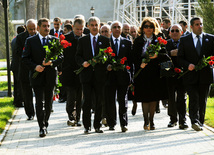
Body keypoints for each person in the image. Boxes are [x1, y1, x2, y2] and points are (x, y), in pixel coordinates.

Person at [22, 18, 63, 137]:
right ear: (38, 27)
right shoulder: (30, 41)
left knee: (49, 103)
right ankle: (41, 126)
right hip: (37, 77)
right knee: (40, 102)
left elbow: (60, 57)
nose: (46, 28)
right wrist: (35, 67)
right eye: (44, 26)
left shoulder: (54, 40)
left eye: (48, 26)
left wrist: (51, 62)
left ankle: (46, 122)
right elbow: (25, 58)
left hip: (50, 76)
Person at [177, 17, 214, 131]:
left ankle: (200, 122)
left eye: (201, 24)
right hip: (191, 75)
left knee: (202, 100)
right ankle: (194, 121)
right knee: (193, 98)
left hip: (205, 75)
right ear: (192, 27)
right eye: (197, 24)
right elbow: (180, 58)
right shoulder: (184, 40)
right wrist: (188, 65)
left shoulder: (211, 39)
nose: (200, 26)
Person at [75, 16, 110, 134]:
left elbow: (109, 57)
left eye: (96, 25)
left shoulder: (105, 40)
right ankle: (87, 126)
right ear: (88, 26)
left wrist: (105, 62)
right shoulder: (82, 40)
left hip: (100, 76)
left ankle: (97, 125)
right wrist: (83, 63)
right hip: (86, 75)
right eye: (92, 25)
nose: (94, 27)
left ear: (99, 26)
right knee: (87, 101)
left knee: (99, 101)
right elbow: (77, 56)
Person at [133, 17, 168, 130]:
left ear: (154, 28)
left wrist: (157, 56)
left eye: (151, 27)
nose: (148, 29)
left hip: (155, 71)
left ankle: (152, 120)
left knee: (153, 98)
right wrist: (140, 63)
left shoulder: (159, 39)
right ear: (142, 28)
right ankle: (145, 120)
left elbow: (165, 55)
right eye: (146, 26)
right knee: (144, 98)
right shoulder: (138, 40)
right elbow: (133, 56)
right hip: (143, 72)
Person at [105, 21, 132, 132]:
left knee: (123, 101)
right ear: (111, 30)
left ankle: (123, 123)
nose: (116, 29)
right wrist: (107, 66)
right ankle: (111, 123)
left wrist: (131, 77)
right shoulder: (107, 42)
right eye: (114, 27)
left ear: (121, 29)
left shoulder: (127, 42)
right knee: (110, 100)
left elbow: (131, 61)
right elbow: (103, 59)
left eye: (118, 27)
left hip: (123, 76)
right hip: (110, 76)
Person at [62, 18, 85, 127]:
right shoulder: (66, 38)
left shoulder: (85, 39)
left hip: (82, 72)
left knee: (80, 97)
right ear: (73, 27)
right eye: (77, 29)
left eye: (81, 29)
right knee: (71, 96)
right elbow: (62, 56)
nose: (79, 32)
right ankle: (71, 115)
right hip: (69, 72)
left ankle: (78, 118)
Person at [166, 24, 188, 129]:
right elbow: (162, 56)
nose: (174, 33)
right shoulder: (166, 43)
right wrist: (170, 53)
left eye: (177, 31)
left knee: (182, 98)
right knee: (171, 98)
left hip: (182, 74)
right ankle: (173, 119)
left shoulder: (185, 42)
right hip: (170, 75)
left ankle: (182, 120)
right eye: (172, 31)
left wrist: (179, 54)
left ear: (181, 32)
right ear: (169, 33)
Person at [16, 19, 37, 120]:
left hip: (38, 69)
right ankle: (30, 113)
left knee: (39, 92)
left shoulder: (39, 36)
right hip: (25, 69)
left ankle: (40, 111)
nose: (32, 31)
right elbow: (18, 53)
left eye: (34, 29)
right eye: (30, 29)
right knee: (27, 93)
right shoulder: (20, 38)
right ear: (26, 28)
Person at [10, 25, 25, 108]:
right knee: (19, 84)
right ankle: (19, 101)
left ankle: (16, 100)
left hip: (15, 65)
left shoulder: (14, 40)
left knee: (16, 84)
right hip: (18, 65)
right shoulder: (20, 40)